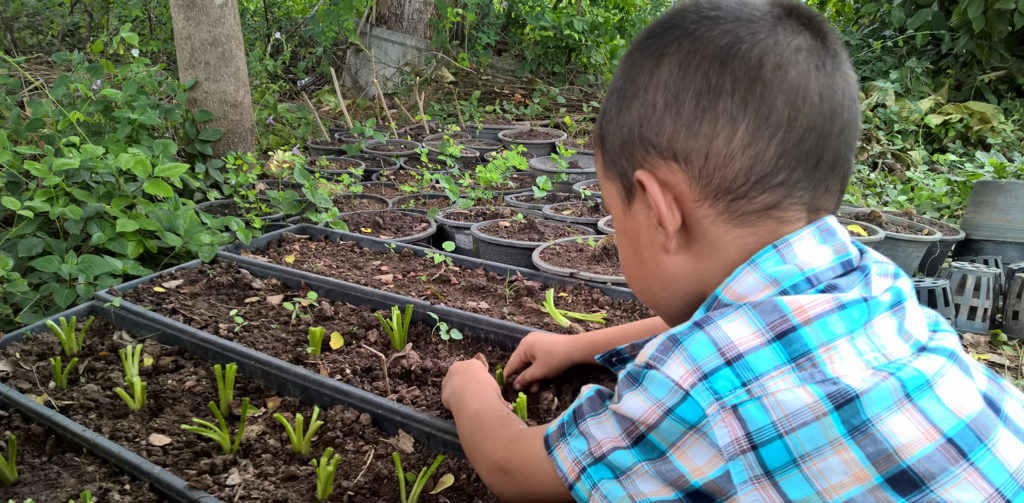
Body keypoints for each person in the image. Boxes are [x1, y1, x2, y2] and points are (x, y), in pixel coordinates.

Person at [440, 0, 1024, 500]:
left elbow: (517, 469)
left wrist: (469, 393)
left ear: (660, 211)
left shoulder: (699, 390)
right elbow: (746, 331)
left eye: (614, 216)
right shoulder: (870, 278)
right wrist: (580, 344)